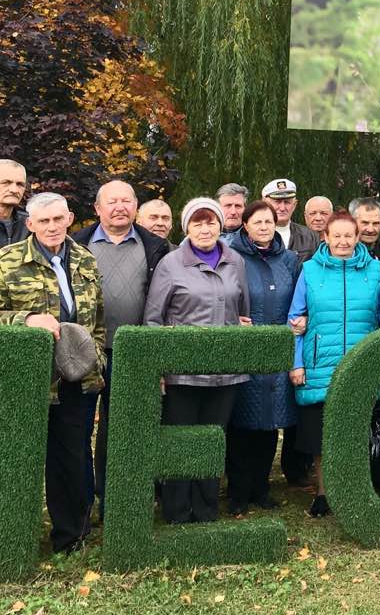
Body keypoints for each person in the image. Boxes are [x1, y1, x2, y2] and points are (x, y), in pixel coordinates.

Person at [0, 192, 106, 553]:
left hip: (76, 381)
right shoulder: (7, 261)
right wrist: (28, 319)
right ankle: (9, 538)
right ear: (29, 224)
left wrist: (95, 359)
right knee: (16, 461)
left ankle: (72, 536)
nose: (52, 227)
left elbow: (97, 320)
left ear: (69, 219)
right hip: (26, 383)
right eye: (43, 221)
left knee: (72, 459)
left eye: (58, 219)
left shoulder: (85, 259)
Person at [143, 197, 251, 524]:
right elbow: (153, 319)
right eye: (197, 223)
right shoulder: (171, 264)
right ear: (186, 227)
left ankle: (206, 509)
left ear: (220, 225)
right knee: (180, 442)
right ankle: (176, 510)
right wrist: (159, 368)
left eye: (211, 222)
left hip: (226, 373)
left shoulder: (235, 261)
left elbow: (242, 310)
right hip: (183, 374)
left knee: (212, 440)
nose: (205, 229)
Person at [71, 180, 170, 521]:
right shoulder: (75, 244)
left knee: (122, 432)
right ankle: (82, 504)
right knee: (79, 429)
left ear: (135, 207)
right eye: (111, 201)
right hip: (85, 352)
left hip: (132, 354)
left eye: (126, 201)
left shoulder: (156, 246)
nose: (119, 207)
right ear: (97, 209)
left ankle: (115, 501)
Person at [288, 210, 380, 517]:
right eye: (337, 235)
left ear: (358, 237)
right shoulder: (309, 271)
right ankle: (323, 493)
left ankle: (356, 493)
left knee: (357, 431)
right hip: (320, 364)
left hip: (362, 363)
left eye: (349, 235)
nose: (343, 241)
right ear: (326, 237)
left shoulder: (374, 271)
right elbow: (294, 320)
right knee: (321, 434)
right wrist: (296, 363)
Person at [225, 200, 303, 512]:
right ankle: (238, 492)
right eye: (257, 222)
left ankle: (261, 488)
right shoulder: (232, 258)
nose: (263, 227)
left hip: (277, 351)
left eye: (268, 222)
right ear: (245, 225)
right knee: (242, 423)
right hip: (244, 351)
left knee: (270, 423)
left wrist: (301, 319)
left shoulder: (289, 260)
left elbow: (299, 297)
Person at [262, 178, 320, 260]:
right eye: (277, 202)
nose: (282, 208)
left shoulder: (310, 237)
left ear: (294, 205)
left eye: (287, 202)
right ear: (265, 203)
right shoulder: (254, 235)